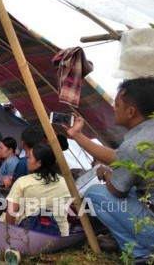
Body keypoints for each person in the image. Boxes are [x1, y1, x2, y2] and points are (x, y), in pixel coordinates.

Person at [64, 78, 154, 259]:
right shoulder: (147, 134)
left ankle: (139, 255)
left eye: (117, 103)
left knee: (95, 193)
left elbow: (118, 190)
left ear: (131, 111)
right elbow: (117, 156)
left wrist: (104, 173)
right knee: (136, 187)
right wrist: (77, 136)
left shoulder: (135, 145)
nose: (113, 106)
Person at [2, 144, 71, 236]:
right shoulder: (66, 182)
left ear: (39, 163)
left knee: (3, 217)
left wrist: (10, 234)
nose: (26, 158)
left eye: (29, 157)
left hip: (33, 236)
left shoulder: (23, 182)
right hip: (61, 236)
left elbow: (11, 212)